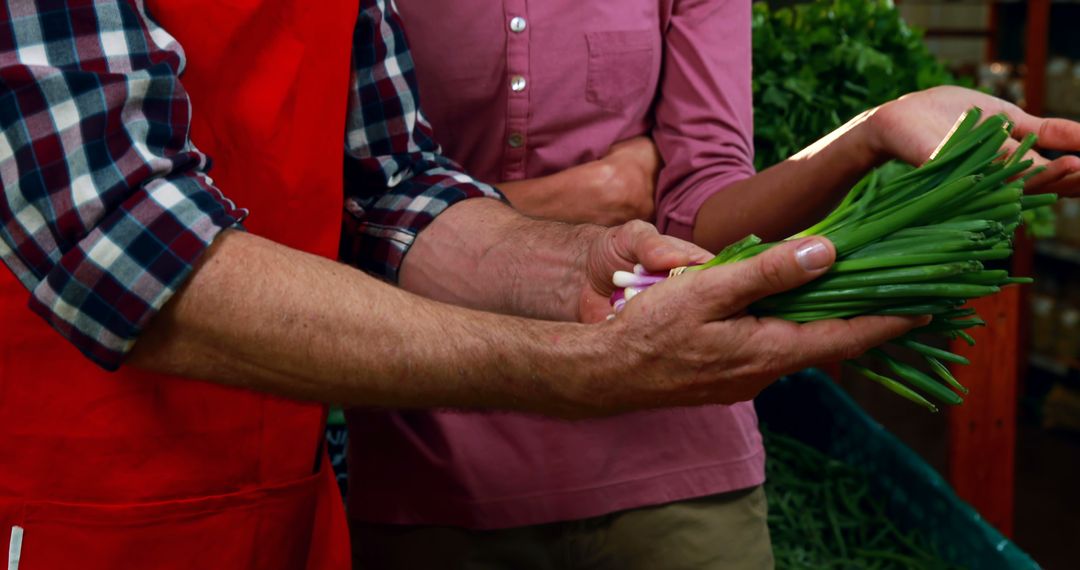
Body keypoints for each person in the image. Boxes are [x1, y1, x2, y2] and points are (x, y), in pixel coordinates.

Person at [0, 1, 922, 568]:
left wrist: (580, 270)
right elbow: (116, 233)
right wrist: (574, 362)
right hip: (76, 513)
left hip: (285, 502)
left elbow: (390, 187)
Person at [346, 1, 1080, 568]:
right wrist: (595, 190)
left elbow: (700, 210)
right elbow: (352, 200)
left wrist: (870, 134)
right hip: (432, 456)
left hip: (672, 444)